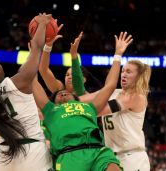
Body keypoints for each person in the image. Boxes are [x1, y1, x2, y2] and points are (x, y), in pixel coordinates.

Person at [32, 32, 133, 171]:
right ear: (54, 101)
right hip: (69, 153)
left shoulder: (87, 103)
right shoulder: (51, 108)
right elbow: (34, 78)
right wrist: (36, 53)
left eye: (72, 74)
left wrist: (118, 54)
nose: (62, 93)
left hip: (98, 151)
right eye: (66, 74)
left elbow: (109, 85)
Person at [0, 14, 53, 171]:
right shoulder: (18, 83)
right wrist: (42, 24)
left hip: (1, 158)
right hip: (31, 152)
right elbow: (36, 47)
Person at [101, 59, 151, 171]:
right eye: (122, 71)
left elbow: (98, 110)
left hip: (132, 158)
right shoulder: (114, 93)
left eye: (128, 72)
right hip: (112, 157)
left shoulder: (136, 96)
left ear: (138, 76)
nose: (123, 75)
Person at [39, 30, 102, 96]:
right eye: (67, 75)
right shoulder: (60, 90)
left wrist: (74, 55)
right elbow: (43, 70)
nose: (69, 77)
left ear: (83, 79)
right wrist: (48, 46)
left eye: (73, 74)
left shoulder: (90, 97)